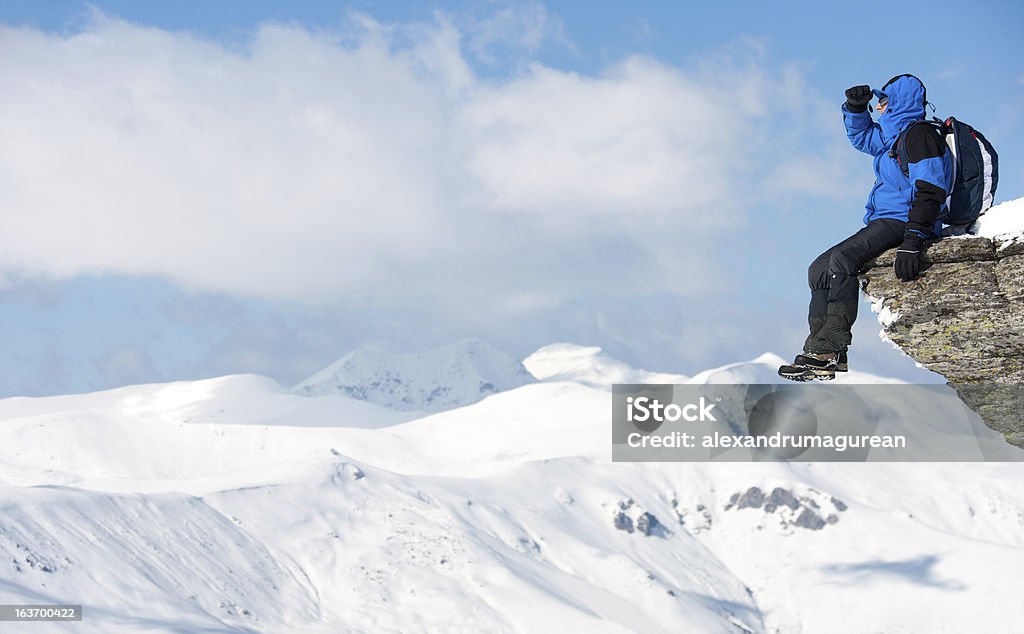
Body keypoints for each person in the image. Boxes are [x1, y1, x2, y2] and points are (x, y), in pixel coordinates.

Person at [778, 74, 953, 381]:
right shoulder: (892, 138)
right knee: (819, 269)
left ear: (899, 102)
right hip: (884, 219)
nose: (879, 106)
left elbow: (931, 189)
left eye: (883, 100)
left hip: (905, 220)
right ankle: (818, 350)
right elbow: (862, 138)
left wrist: (914, 239)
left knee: (844, 259)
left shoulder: (920, 135)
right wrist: (856, 109)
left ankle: (830, 350)